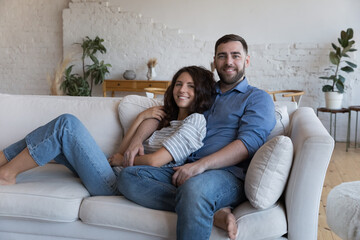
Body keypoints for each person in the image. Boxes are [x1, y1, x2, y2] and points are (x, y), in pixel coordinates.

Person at [117, 34, 276, 240]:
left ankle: (201, 203)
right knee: (129, 176)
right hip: (182, 168)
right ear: (214, 61)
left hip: (226, 175)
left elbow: (249, 144)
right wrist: (138, 138)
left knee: (194, 189)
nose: (228, 62)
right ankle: (213, 212)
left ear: (246, 60)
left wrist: (201, 165)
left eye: (235, 56)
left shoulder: (256, 98)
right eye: (222, 56)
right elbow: (162, 114)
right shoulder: (202, 92)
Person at [0, 66, 215, 197]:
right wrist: (141, 117)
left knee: (66, 124)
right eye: (178, 84)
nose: (182, 90)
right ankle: (3, 165)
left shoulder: (196, 121)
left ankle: (7, 174)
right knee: (49, 134)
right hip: (110, 172)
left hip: (119, 184)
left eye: (191, 86)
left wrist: (122, 160)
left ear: (201, 92)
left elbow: (154, 162)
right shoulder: (164, 119)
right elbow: (119, 153)